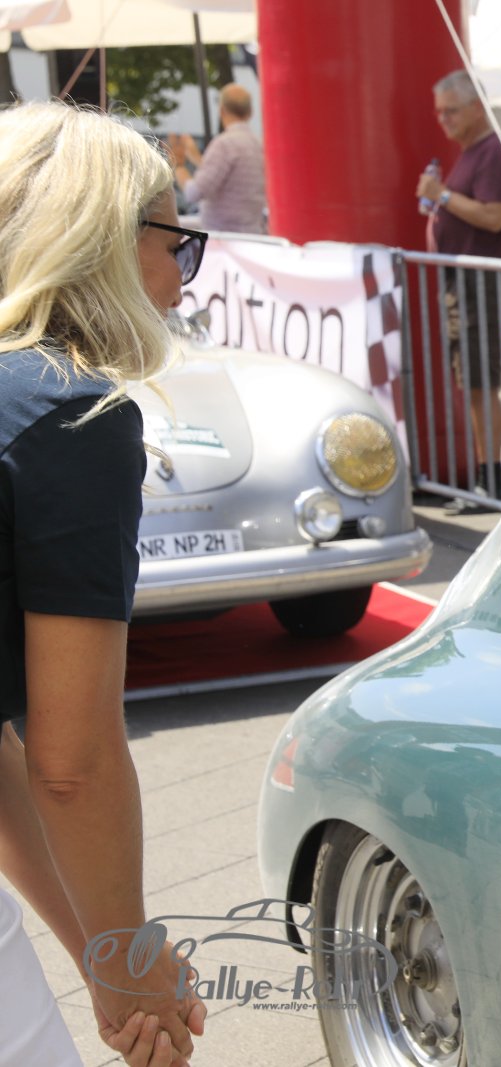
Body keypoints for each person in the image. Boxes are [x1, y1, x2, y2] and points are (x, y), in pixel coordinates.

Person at [0, 100, 209, 1067]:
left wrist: (105, 955)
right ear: (106, 240)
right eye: (178, 243)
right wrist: (127, 966)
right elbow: (71, 761)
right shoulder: (67, 411)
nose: (181, 278)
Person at [415, 69, 501, 509]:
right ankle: (485, 477)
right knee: (473, 381)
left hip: (480, 283)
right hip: (466, 284)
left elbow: (494, 217)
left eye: (452, 111)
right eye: (440, 113)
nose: (444, 120)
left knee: (480, 382)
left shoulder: (494, 151)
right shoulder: (475, 152)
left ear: (478, 107)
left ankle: (489, 481)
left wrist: (442, 196)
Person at [167, 83, 267, 234]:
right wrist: (197, 159)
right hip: (253, 233)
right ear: (250, 112)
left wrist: (179, 165)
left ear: (222, 111)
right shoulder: (259, 145)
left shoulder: (224, 145)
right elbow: (230, 178)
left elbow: (194, 193)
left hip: (224, 237)